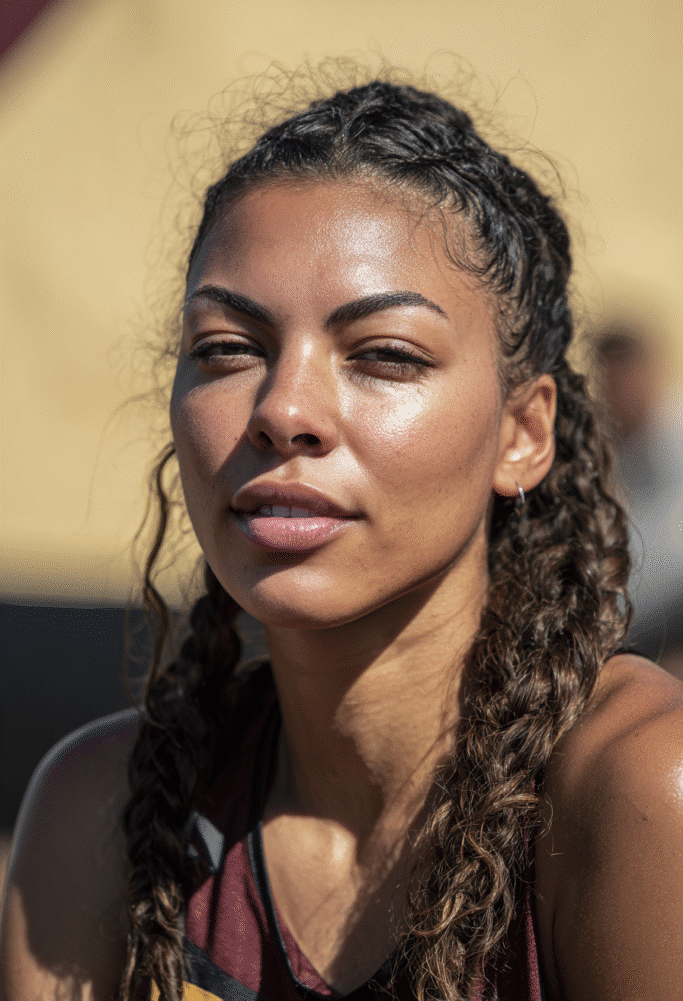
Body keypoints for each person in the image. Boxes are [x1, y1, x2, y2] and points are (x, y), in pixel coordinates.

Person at [2, 74, 683, 1001]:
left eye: (384, 356)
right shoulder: (101, 814)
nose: (282, 410)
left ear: (523, 434)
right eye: (227, 349)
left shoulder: (639, 788)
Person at [593, 322, 683, 676]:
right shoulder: (605, 450)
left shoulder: (674, 433)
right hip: (638, 617)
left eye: (627, 377)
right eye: (610, 380)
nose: (620, 391)